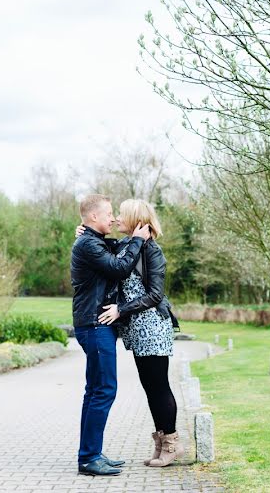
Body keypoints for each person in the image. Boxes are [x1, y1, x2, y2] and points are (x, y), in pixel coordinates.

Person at [79, 198, 184, 468]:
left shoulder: (152, 250)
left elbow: (155, 294)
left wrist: (121, 309)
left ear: (136, 219)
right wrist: (82, 231)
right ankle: (161, 444)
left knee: (159, 387)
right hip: (137, 329)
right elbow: (101, 252)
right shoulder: (126, 244)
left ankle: (172, 444)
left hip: (152, 325)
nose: (115, 220)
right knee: (150, 388)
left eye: (121, 215)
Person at [70, 193, 150, 477]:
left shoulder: (91, 241)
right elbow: (118, 267)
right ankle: (89, 458)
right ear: (93, 217)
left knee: (94, 392)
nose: (113, 218)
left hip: (94, 323)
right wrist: (139, 240)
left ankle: (90, 454)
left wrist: (134, 238)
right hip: (95, 324)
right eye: (109, 214)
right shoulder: (88, 244)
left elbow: (113, 251)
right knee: (103, 390)